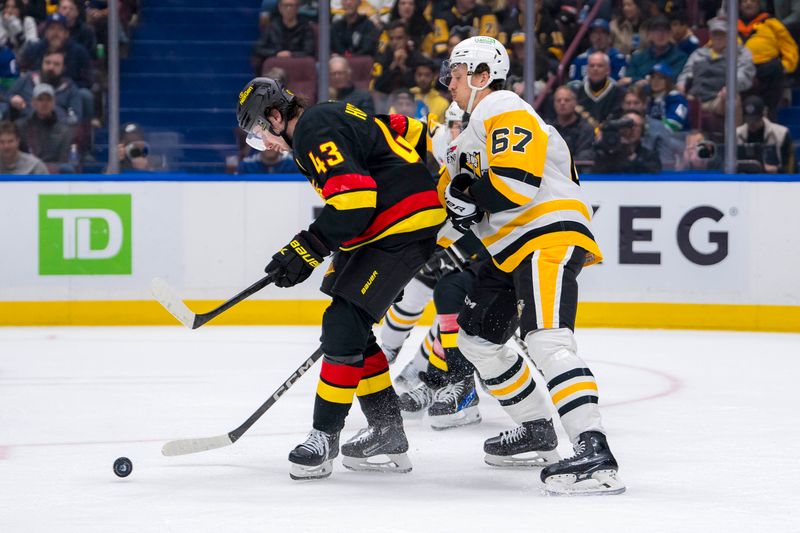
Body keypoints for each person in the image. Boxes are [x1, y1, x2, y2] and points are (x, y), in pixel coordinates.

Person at [441, 36, 624, 495]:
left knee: (545, 338)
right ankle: (536, 428)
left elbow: (517, 182)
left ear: (483, 76)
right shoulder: (464, 140)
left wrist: (467, 201)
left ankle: (594, 450)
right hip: (508, 249)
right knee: (477, 339)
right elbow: (453, 214)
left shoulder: (503, 105)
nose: (451, 85)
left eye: (459, 75)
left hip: (545, 235)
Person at [236, 77, 445, 480]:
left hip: (399, 224)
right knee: (351, 327)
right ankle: (387, 431)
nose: (264, 143)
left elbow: (354, 199)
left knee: (343, 322)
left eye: (261, 132)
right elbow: (402, 128)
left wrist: (307, 246)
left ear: (276, 117)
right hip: (382, 226)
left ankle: (324, 435)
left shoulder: (313, 128)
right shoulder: (326, 116)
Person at [677, 17, 756, 126]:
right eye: (715, 34)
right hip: (695, 97)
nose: (718, 38)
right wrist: (681, 85)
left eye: (722, 34)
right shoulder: (699, 53)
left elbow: (744, 74)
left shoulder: (740, 53)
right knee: (674, 97)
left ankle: (734, 139)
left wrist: (731, 87)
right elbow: (686, 73)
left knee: (732, 98)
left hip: (718, 99)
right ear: (710, 35)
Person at [738, 0, 799, 118]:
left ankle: (769, 113)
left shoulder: (772, 23)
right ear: (739, 6)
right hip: (738, 66)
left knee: (775, 67)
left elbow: (789, 46)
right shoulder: (730, 25)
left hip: (765, 66)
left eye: (752, 1)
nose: (748, 3)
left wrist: (786, 66)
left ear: (758, 4)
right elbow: (714, 46)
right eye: (744, 1)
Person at [14, 83, 72, 167]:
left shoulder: (64, 130)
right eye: (40, 99)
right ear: (33, 102)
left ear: (54, 103)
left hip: (53, 175)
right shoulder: (20, 126)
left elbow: (63, 160)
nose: (44, 103)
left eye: (48, 100)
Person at [736, 95, 794, 173]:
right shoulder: (736, 135)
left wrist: (775, 169)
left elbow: (792, 169)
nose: (751, 123)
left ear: (763, 114)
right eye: (748, 120)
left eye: (755, 120)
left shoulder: (781, 134)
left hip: (774, 181)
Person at [625, 15, 688, 84]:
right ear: (649, 34)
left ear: (670, 34)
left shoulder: (680, 58)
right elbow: (626, 80)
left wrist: (636, 80)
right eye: (656, 30)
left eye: (665, 30)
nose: (661, 34)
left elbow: (671, 80)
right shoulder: (637, 57)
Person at [594, 110, 662, 173]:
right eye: (626, 126)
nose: (631, 130)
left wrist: (633, 159)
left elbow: (654, 172)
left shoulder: (650, 156)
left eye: (635, 126)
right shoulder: (607, 154)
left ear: (642, 130)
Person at [570, 51, 624, 127]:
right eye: (592, 66)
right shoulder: (577, 92)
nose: (595, 69)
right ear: (587, 69)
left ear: (608, 70)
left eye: (600, 66)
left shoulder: (618, 92)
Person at [371, 21, 427, 94]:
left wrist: (403, 67)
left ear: (407, 38)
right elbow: (376, 86)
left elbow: (419, 86)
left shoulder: (417, 58)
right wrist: (393, 66)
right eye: (391, 38)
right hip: (386, 98)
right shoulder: (380, 58)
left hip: (412, 99)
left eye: (399, 38)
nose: (394, 42)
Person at [432, 0, 499, 58]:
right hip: (451, 58)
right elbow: (440, 46)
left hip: (479, 57)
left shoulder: (486, 12)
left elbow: (489, 41)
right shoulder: (443, 16)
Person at [551, 85, 595, 163]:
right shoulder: (548, 129)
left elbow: (584, 155)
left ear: (575, 103)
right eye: (558, 100)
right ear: (554, 104)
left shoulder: (585, 129)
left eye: (567, 100)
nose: (562, 103)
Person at [645, 63, 689, 132]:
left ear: (668, 81)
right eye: (653, 77)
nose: (655, 81)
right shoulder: (651, 100)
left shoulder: (677, 99)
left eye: (660, 78)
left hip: (676, 138)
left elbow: (674, 125)